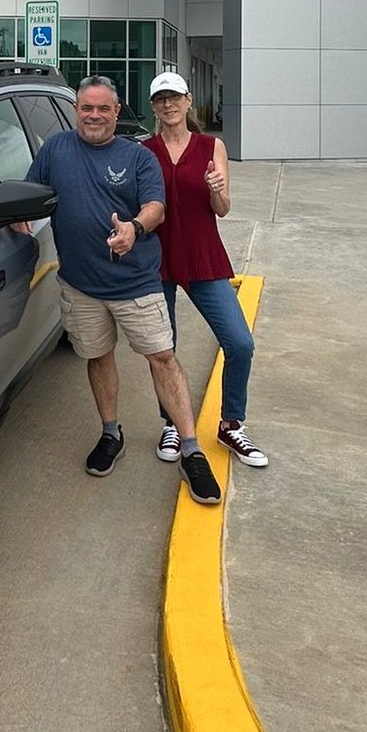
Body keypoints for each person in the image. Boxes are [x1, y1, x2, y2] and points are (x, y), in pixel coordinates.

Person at [26, 75, 221, 505]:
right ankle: (111, 433)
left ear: (117, 112)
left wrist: (134, 228)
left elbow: (157, 207)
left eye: (103, 109)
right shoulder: (56, 149)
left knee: (163, 357)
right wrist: (16, 219)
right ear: (77, 110)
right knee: (98, 358)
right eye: (86, 108)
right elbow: (31, 194)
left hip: (135, 282)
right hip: (80, 285)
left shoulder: (135, 156)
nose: (93, 115)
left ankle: (190, 449)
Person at [143, 71, 267, 467]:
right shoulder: (144, 151)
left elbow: (223, 208)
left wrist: (216, 188)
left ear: (188, 100)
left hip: (202, 254)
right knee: (164, 350)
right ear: (154, 107)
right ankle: (172, 424)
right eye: (161, 99)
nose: (168, 104)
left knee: (239, 343)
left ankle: (231, 424)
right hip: (156, 260)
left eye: (174, 97)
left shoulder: (212, 146)